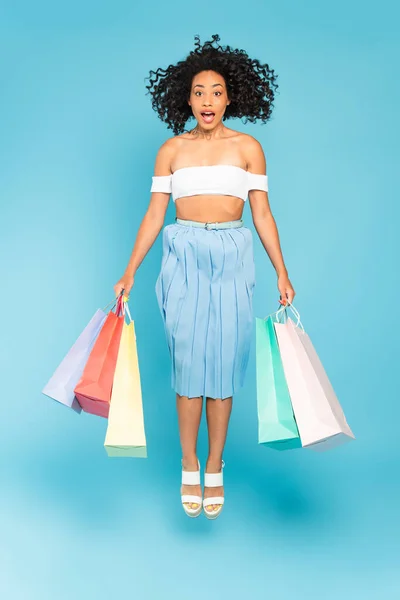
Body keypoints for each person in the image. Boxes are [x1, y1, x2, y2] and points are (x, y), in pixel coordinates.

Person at [114, 34, 295, 519]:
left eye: (216, 92)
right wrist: (129, 270)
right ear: (186, 98)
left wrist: (282, 271)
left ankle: (215, 463)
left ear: (230, 97)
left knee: (225, 361)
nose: (207, 101)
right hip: (184, 251)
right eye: (199, 92)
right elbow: (154, 215)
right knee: (190, 360)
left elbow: (262, 214)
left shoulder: (249, 148)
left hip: (234, 252)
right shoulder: (171, 150)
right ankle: (189, 461)